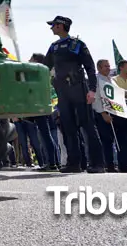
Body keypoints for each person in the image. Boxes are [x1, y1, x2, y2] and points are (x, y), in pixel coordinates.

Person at [42, 15, 105, 173]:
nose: (51, 28)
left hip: (79, 89)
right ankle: (74, 163)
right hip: (62, 92)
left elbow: (90, 68)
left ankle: (98, 164)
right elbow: (44, 68)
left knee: (88, 126)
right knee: (68, 127)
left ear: (61, 26)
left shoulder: (77, 44)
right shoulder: (53, 47)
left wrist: (92, 90)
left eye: (54, 25)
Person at [29, 52, 60, 171]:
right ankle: (54, 162)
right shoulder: (45, 74)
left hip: (41, 107)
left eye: (31, 59)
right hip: (46, 107)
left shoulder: (38, 74)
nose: (29, 61)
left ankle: (51, 163)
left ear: (36, 61)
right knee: (46, 136)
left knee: (45, 136)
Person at [91, 59, 118, 172]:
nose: (108, 68)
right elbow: (96, 99)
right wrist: (103, 113)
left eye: (109, 66)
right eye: (105, 66)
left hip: (113, 112)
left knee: (111, 140)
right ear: (99, 68)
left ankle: (112, 164)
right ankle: (108, 165)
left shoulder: (111, 80)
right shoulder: (97, 81)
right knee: (105, 140)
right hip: (102, 114)